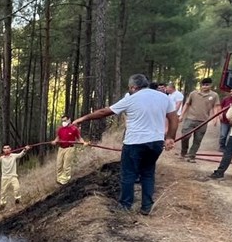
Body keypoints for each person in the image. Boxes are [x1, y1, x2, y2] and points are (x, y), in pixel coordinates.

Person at [73, 73, 177, 215]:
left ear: (133, 87)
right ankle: (147, 206)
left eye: (130, 87)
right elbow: (173, 118)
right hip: (156, 143)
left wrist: (82, 119)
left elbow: (105, 112)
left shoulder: (131, 99)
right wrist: (170, 137)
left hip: (134, 143)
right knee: (147, 173)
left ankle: (125, 205)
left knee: (128, 174)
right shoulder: (163, 97)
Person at [179, 78, 219, 162]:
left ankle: (191, 156)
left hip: (203, 121)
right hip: (190, 118)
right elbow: (187, 104)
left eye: (207, 85)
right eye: (203, 85)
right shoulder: (193, 93)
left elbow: (216, 106)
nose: (205, 86)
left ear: (210, 85)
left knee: (198, 139)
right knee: (185, 136)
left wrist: (215, 118)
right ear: (201, 85)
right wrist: (182, 115)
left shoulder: (214, 95)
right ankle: (183, 152)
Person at [52, 115, 85, 185]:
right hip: (61, 148)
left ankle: (65, 181)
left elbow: (79, 138)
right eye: (62, 121)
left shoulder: (74, 129)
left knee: (66, 165)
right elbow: (58, 138)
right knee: (59, 165)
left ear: (69, 120)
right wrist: (55, 141)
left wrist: (83, 142)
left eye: (65, 120)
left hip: (69, 148)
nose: (63, 122)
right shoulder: (60, 129)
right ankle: (59, 179)